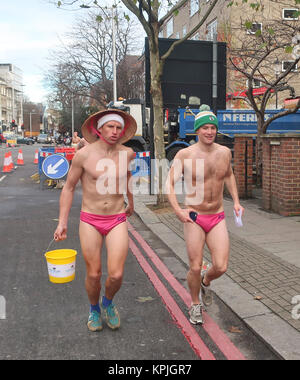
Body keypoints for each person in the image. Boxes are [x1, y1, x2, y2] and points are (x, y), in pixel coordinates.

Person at [54, 109, 137, 332]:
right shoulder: (84, 155)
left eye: (118, 127)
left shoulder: (127, 153)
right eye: (110, 126)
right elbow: (69, 187)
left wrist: (131, 201)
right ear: (98, 129)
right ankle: (94, 309)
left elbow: (128, 176)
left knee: (117, 274)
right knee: (94, 273)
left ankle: (107, 302)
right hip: (90, 219)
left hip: (117, 218)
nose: (114, 131)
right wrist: (62, 222)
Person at [166, 105, 244, 325]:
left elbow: (228, 176)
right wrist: (177, 210)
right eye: (205, 128)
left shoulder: (224, 152)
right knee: (194, 265)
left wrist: (236, 202)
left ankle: (205, 281)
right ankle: (195, 304)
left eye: (212, 128)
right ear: (197, 131)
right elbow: (169, 184)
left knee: (221, 266)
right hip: (194, 216)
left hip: (217, 215)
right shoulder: (185, 154)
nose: (209, 131)